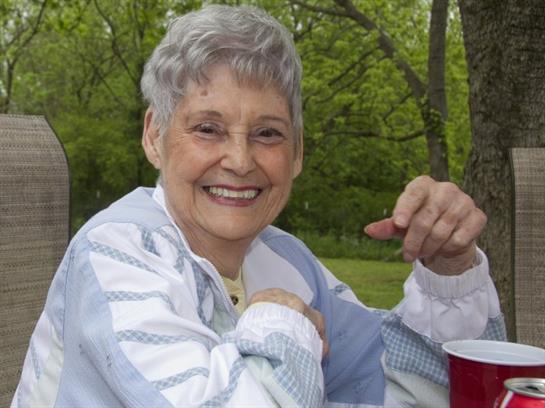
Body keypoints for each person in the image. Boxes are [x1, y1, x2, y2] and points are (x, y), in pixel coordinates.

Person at [12, 4, 505, 408]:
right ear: (154, 137)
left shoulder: (285, 259)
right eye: (207, 128)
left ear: (297, 154)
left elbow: (403, 387)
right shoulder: (117, 252)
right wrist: (280, 322)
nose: (241, 160)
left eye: (268, 133)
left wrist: (448, 275)